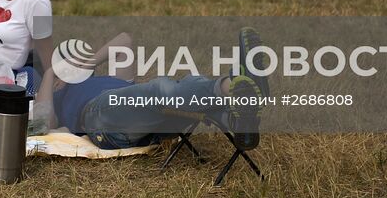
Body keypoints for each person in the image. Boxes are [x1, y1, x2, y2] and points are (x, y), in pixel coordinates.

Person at [46, 28, 268, 150]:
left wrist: (83, 67)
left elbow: (124, 41)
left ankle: (236, 121)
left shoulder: (115, 80)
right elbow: (45, 122)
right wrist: (51, 75)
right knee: (161, 89)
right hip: (99, 118)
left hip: (151, 124)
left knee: (182, 96)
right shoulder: (58, 93)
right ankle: (232, 86)